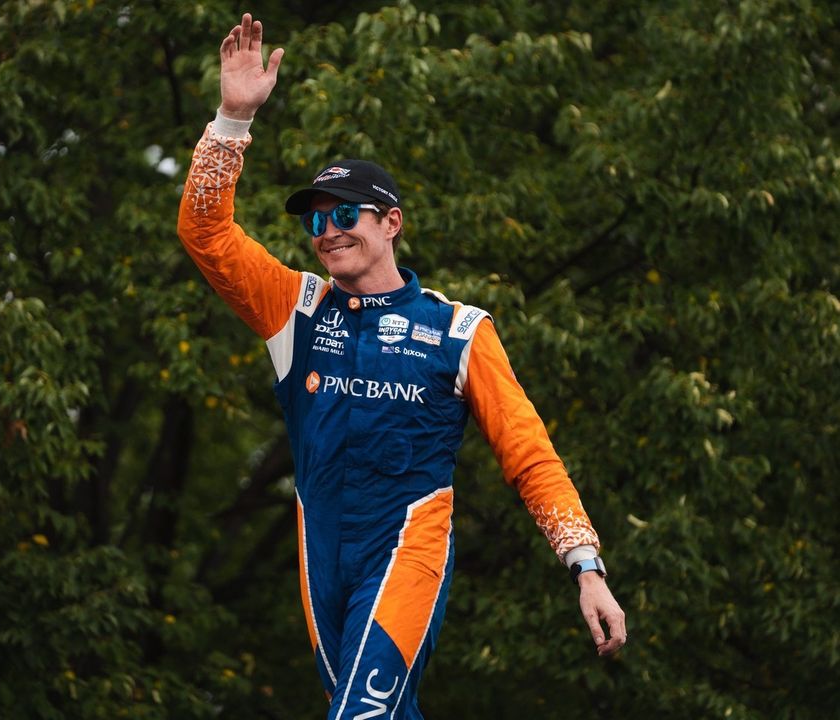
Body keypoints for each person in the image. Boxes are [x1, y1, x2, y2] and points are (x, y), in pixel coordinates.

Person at [176, 13, 626, 718]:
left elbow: (529, 453)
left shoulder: (459, 330)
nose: (328, 232)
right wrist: (233, 119)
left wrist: (586, 566)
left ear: (391, 223)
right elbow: (204, 232)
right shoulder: (295, 308)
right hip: (321, 554)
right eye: (316, 221)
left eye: (345, 215)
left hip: (408, 550)